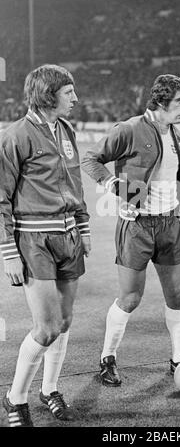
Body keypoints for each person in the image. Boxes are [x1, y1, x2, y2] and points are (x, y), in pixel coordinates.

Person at [82, 74, 180, 386]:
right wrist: (112, 185)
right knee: (130, 298)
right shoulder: (129, 129)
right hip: (137, 226)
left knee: (177, 295)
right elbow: (90, 159)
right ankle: (108, 358)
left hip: (170, 224)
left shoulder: (177, 135)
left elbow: (179, 174)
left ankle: (178, 360)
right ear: (161, 101)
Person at [0, 64, 91, 426]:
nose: (76, 99)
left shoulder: (65, 130)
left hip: (68, 235)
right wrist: (8, 252)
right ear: (49, 94)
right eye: (69, 93)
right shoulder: (16, 135)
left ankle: (49, 388)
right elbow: (0, 197)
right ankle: (15, 398)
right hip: (33, 239)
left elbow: (76, 184)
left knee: (65, 322)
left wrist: (83, 228)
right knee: (47, 327)